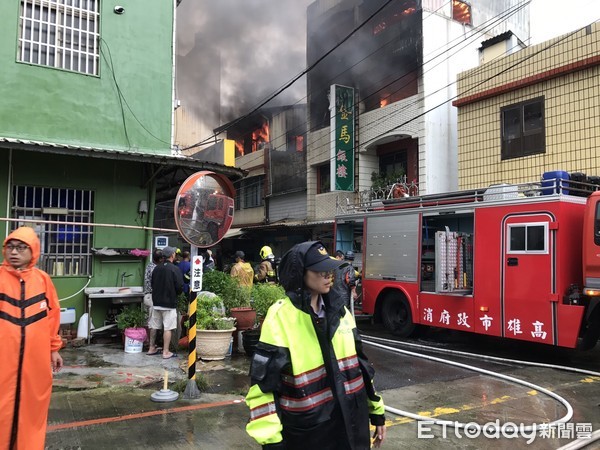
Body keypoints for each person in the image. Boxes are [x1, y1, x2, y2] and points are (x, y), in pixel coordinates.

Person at [245, 241, 386, 450]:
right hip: (309, 434)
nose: (329, 276)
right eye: (320, 271)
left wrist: (376, 410)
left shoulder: (341, 312)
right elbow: (263, 386)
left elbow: (361, 365)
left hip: (352, 425)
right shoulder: (280, 317)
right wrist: (271, 440)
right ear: (300, 273)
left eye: (330, 270)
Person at [0, 226, 64, 450]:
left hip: (34, 366)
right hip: (3, 364)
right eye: (10, 247)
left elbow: (52, 316)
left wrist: (54, 349)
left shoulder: (42, 280)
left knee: (32, 411)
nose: (14, 252)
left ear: (33, 250)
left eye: (20, 247)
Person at [148, 246, 184, 359]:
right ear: (172, 255)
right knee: (167, 327)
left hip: (156, 302)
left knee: (154, 326)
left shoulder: (156, 268)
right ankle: (166, 351)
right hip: (169, 303)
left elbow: (152, 284)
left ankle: (151, 348)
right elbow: (179, 287)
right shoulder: (174, 269)